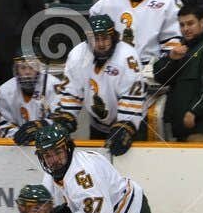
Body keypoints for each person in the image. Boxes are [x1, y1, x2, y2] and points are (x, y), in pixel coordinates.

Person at [56, 14, 147, 154]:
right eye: (95, 39)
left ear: (114, 37)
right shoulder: (76, 56)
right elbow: (71, 93)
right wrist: (66, 118)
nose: (101, 44)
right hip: (98, 126)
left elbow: (131, 97)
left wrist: (125, 127)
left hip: (132, 125)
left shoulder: (127, 57)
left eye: (105, 38)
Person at [156, 7, 203, 142]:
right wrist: (171, 58)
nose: (185, 29)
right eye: (182, 25)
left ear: (202, 22)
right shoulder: (180, 50)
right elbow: (159, 77)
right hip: (180, 130)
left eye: (190, 23)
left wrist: (194, 111)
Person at [0, 53, 64, 144]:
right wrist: (18, 135)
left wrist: (40, 129)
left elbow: (61, 120)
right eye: (23, 68)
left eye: (32, 67)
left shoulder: (53, 86)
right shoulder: (4, 91)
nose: (27, 72)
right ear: (16, 69)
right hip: (16, 147)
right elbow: (2, 124)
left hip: (49, 144)